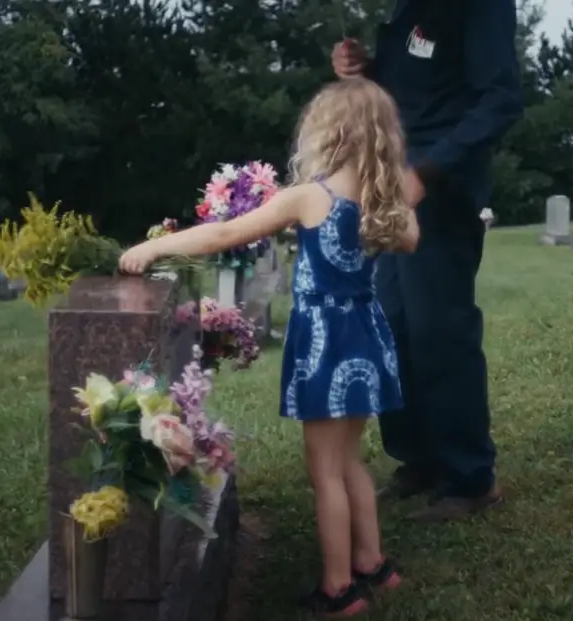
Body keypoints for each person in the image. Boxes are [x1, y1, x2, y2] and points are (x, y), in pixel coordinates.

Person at [120, 79, 417, 617]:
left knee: (324, 470)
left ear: (329, 132)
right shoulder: (381, 199)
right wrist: (391, 181)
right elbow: (411, 236)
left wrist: (154, 246)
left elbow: (219, 237)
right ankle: (374, 564)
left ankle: (338, 588)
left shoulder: (311, 196)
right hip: (366, 341)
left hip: (326, 347)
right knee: (350, 459)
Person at [331, 0, 524, 520]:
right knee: (392, 326)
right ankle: (419, 459)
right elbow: (409, 89)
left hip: (440, 189)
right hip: (393, 183)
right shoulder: (407, 8)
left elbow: (501, 100)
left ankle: (469, 478)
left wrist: (426, 172)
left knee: (440, 330)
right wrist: (361, 70)